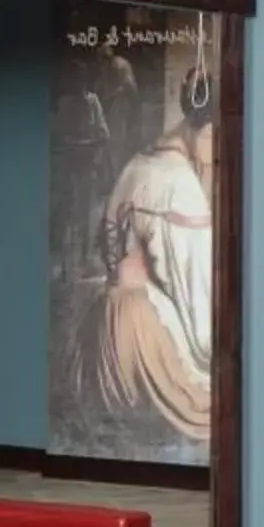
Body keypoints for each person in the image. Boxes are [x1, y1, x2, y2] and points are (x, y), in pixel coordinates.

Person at [76, 61, 215, 445]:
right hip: (143, 334)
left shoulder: (137, 164)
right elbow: (195, 295)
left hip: (105, 320)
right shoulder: (177, 185)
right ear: (206, 129)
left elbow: (107, 243)